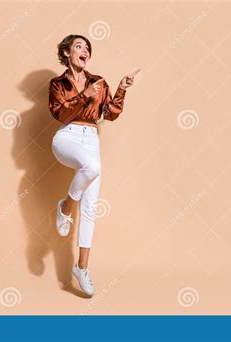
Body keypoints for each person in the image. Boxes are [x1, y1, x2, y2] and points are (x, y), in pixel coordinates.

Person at [48, 34, 139, 297]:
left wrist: (121, 88)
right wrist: (82, 96)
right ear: (67, 53)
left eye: (87, 47)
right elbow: (60, 113)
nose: (84, 50)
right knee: (91, 166)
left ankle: (82, 268)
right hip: (68, 136)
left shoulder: (99, 82)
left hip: (91, 138)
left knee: (90, 207)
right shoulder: (57, 83)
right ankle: (65, 208)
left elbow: (109, 113)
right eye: (78, 46)